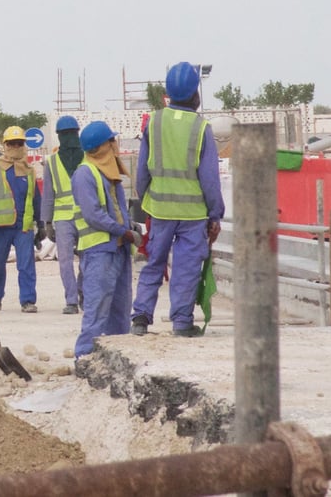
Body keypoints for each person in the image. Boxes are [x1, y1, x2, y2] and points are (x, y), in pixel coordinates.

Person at [131, 61, 225, 338]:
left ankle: (140, 318)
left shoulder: (154, 122)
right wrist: (215, 213)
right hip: (193, 214)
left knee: (154, 263)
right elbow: (209, 178)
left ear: (168, 93)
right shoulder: (201, 128)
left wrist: (145, 198)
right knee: (186, 269)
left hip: (159, 210)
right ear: (195, 93)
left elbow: (142, 171)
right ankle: (182, 323)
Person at [71, 122, 141, 357]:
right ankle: (84, 358)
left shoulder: (108, 173)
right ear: (101, 146)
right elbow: (93, 216)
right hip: (99, 251)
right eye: (112, 141)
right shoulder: (85, 173)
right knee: (97, 311)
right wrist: (124, 232)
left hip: (117, 249)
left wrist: (129, 227)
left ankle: (117, 359)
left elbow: (116, 209)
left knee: (120, 312)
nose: (115, 145)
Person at [0, 126, 44, 313]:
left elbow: (35, 198)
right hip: (0, 226)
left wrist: (41, 223)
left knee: (26, 264)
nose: (15, 146)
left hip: (23, 226)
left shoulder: (28, 170)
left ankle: (28, 300)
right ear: (5, 145)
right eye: (12, 143)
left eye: (19, 143)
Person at [42, 115, 84, 315]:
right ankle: (71, 300)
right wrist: (47, 222)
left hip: (85, 217)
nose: (68, 137)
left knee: (86, 259)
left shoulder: (87, 156)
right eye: (65, 134)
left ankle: (82, 293)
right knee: (66, 260)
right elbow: (48, 195)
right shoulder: (51, 162)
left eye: (70, 133)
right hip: (65, 218)